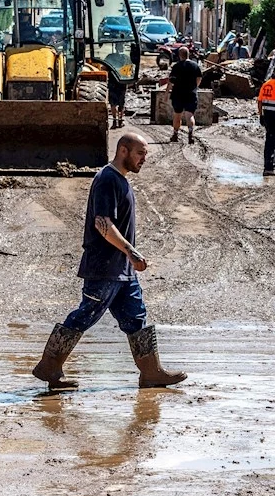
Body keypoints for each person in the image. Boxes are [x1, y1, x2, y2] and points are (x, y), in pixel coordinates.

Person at [32, 133, 187, 390]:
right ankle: (49, 367)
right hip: (104, 267)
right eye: (140, 154)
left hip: (122, 271)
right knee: (86, 315)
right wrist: (131, 251)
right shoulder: (107, 179)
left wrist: (128, 258)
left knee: (136, 318)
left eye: (145, 154)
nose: (144, 159)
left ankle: (151, 373)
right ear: (123, 151)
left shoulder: (121, 180)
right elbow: (102, 224)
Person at [168, 46, 203, 144]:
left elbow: (170, 81)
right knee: (189, 115)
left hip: (177, 94)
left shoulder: (176, 66)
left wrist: (167, 92)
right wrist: (194, 87)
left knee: (177, 115)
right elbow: (199, 78)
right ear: (188, 54)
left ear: (179, 55)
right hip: (190, 94)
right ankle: (191, 133)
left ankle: (175, 134)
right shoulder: (195, 66)